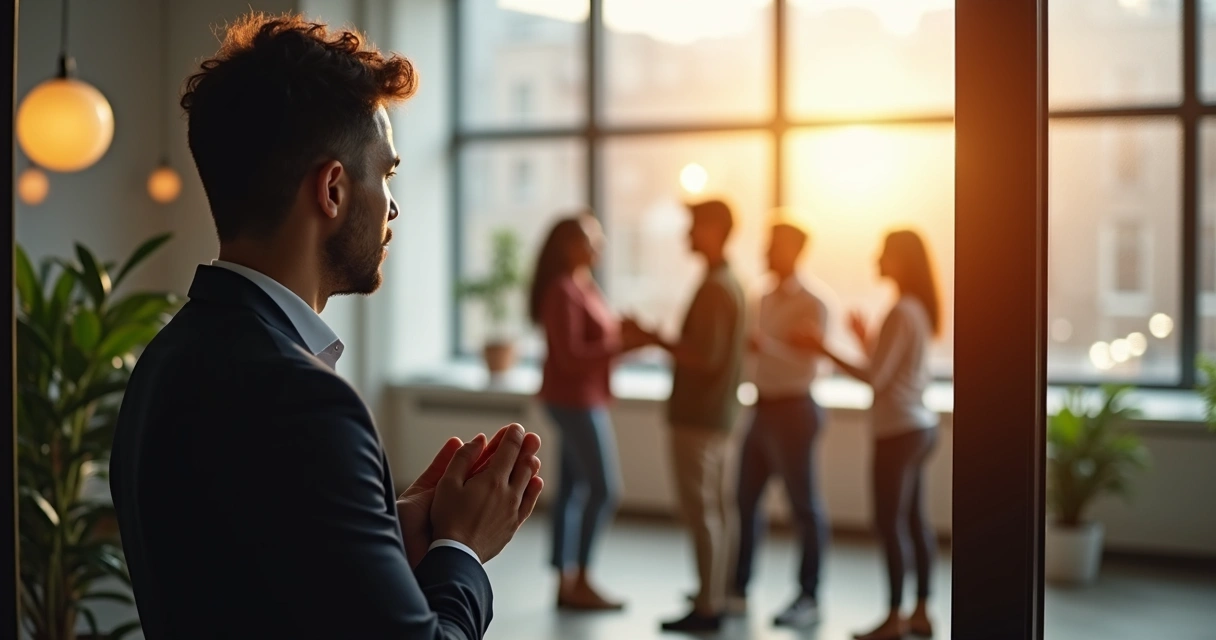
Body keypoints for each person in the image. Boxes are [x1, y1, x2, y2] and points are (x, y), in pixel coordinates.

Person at [110, 14, 543, 640]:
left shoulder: (167, 357)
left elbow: (247, 577)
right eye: (387, 172)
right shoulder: (304, 400)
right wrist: (462, 549)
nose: (394, 205)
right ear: (333, 189)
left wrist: (385, 527)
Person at [792, 229, 942, 640]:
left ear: (901, 260)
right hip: (920, 426)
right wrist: (864, 340)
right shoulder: (916, 310)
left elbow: (875, 378)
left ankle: (893, 618)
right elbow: (891, 367)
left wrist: (820, 346)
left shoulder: (901, 311)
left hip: (897, 431)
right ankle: (922, 611)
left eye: (885, 253)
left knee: (889, 523)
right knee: (914, 522)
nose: (876, 258)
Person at [626, 199, 747, 633]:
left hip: (699, 418)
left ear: (714, 229)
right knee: (717, 510)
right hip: (718, 415)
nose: (688, 234)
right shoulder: (729, 281)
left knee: (703, 514)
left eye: (695, 226)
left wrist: (652, 338)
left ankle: (709, 607)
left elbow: (704, 357)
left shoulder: (716, 286)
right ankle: (714, 593)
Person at [529, 213, 638, 611]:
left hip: (585, 398)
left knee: (573, 491)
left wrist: (626, 340)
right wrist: (624, 344)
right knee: (604, 489)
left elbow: (599, 345)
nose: (601, 245)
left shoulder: (583, 284)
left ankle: (566, 582)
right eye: (593, 238)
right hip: (573, 402)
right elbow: (573, 357)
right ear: (571, 246)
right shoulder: (562, 290)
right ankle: (581, 579)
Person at [733, 221, 830, 629]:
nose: (765, 252)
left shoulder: (814, 303)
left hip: (795, 410)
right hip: (763, 408)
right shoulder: (763, 296)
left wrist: (767, 347)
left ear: (794, 250)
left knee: (803, 507)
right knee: (744, 500)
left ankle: (808, 596)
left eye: (773, 246)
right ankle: (736, 588)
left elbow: (813, 362)